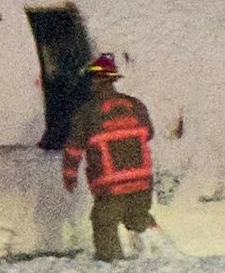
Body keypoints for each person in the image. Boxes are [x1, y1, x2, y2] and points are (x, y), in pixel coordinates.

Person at [62, 53, 157, 262]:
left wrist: (69, 176)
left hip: (111, 184)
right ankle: (150, 258)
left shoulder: (87, 112)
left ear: (96, 81)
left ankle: (113, 266)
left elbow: (74, 150)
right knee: (138, 219)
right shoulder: (136, 105)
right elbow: (148, 133)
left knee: (104, 224)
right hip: (142, 181)